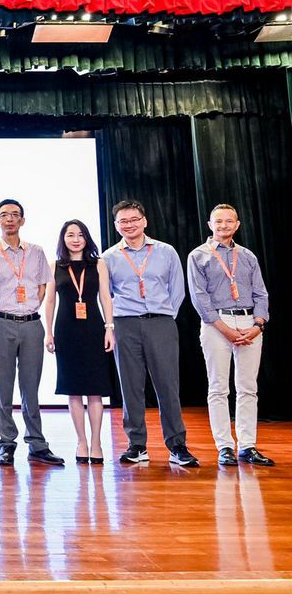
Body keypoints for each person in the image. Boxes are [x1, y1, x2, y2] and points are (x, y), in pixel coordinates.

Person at [102, 199, 198, 467]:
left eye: (134, 219)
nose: (129, 225)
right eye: (123, 221)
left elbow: (177, 289)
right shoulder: (109, 257)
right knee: (130, 386)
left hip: (160, 323)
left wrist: (164, 316)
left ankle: (177, 445)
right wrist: (112, 325)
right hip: (125, 324)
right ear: (116, 225)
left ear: (144, 221)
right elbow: (105, 296)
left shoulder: (166, 251)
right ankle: (136, 445)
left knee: (168, 385)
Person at [0, 199, 64, 467]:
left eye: (15, 215)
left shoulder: (36, 252)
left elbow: (43, 285)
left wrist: (30, 307)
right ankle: (6, 444)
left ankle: (37, 444)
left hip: (31, 325)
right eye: (4, 215)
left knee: (30, 388)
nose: (10, 219)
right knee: (3, 388)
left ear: (22, 220)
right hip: (1, 324)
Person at [187, 204, 272, 466]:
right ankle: (224, 446)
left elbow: (261, 294)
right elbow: (199, 298)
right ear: (210, 225)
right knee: (218, 388)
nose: (223, 225)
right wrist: (226, 329)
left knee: (248, 388)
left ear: (237, 225)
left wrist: (257, 325)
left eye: (229, 221)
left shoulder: (247, 255)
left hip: (249, 323)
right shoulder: (198, 256)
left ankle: (247, 446)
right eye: (218, 221)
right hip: (216, 324)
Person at [43, 220, 116, 465]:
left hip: (94, 329)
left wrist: (109, 328)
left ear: (87, 238)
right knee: (73, 389)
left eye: (80, 235)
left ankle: (96, 443)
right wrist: (48, 332)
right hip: (66, 330)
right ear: (63, 239)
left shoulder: (99, 264)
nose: (75, 239)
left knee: (95, 389)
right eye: (70, 235)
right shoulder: (55, 266)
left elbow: (105, 297)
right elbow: (50, 301)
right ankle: (81, 441)